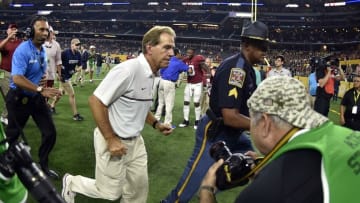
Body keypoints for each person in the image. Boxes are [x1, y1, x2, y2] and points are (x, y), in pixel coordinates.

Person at [200, 76, 360, 203]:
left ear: (265, 122)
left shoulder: (270, 190)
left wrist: (207, 191)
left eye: (252, 119)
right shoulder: (350, 135)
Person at [61, 25, 175, 203]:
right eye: (166, 47)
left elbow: (140, 107)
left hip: (136, 143)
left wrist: (156, 124)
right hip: (113, 140)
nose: (172, 53)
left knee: (138, 193)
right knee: (110, 193)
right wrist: (111, 138)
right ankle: (72, 183)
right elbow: (96, 101)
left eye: (172, 48)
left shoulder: (151, 74)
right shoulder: (129, 70)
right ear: (149, 48)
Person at [161, 20, 269, 203]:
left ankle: (209, 189)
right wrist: (263, 125)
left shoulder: (247, 69)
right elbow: (230, 117)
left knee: (251, 167)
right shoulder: (237, 69)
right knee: (188, 186)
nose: (264, 51)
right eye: (261, 46)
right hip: (217, 133)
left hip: (235, 135)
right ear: (247, 45)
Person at [5, 16, 62, 179]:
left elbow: (39, 73)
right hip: (18, 98)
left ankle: (43, 166)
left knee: (50, 132)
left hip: (35, 97)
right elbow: (17, 78)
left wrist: (42, 81)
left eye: (47, 30)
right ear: (31, 31)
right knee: (13, 135)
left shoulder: (42, 50)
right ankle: (8, 164)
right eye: (41, 29)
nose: (46, 33)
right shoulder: (23, 49)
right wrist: (39, 88)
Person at [154, 48, 189, 126]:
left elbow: (162, 71)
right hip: (169, 83)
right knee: (169, 104)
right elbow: (187, 69)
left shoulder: (167, 60)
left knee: (161, 103)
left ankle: (156, 119)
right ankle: (167, 123)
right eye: (180, 53)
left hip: (162, 81)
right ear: (177, 54)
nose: (181, 55)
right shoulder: (178, 62)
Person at [178, 47, 208, 130]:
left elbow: (206, 68)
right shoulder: (185, 60)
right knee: (186, 102)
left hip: (198, 83)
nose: (188, 54)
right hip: (189, 83)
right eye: (187, 52)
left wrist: (208, 78)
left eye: (190, 53)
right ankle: (185, 120)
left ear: (193, 53)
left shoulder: (198, 59)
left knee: (196, 102)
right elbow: (179, 65)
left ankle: (197, 121)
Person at [0, 23, 22, 125]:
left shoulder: (20, 43)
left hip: (17, 74)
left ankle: (7, 115)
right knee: (7, 95)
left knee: (15, 96)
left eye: (15, 29)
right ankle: (5, 116)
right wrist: (8, 38)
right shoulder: (4, 42)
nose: (13, 31)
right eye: (11, 29)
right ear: (7, 31)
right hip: (4, 72)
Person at [60, 38, 84, 121]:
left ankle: (51, 106)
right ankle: (75, 115)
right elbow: (58, 63)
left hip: (69, 76)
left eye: (79, 45)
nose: (78, 46)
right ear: (72, 44)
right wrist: (59, 74)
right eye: (76, 44)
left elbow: (80, 65)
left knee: (60, 93)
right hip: (63, 77)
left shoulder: (78, 54)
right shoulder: (65, 53)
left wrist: (75, 70)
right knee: (72, 94)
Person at [44, 25, 62, 114]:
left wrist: (59, 73)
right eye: (47, 32)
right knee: (39, 94)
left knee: (48, 94)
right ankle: (44, 110)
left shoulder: (56, 45)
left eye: (50, 32)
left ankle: (44, 109)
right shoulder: (40, 42)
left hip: (51, 75)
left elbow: (58, 60)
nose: (49, 34)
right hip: (40, 75)